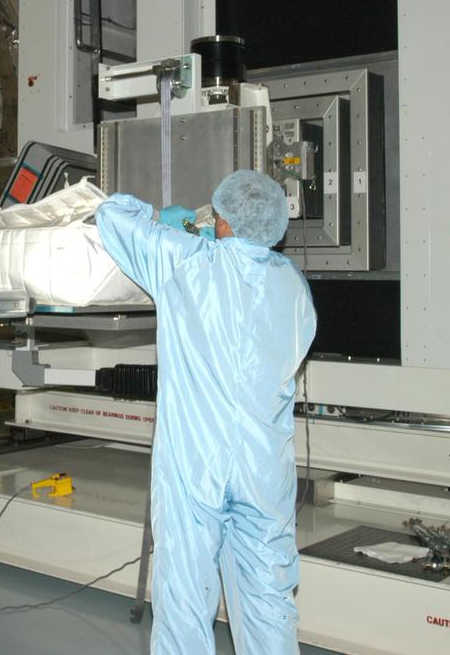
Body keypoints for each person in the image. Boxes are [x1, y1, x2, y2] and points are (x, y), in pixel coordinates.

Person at [95, 170, 317, 655]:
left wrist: (159, 217)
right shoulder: (295, 288)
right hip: (263, 468)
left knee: (184, 597)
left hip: (197, 464)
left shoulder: (184, 262)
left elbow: (110, 214)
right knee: (268, 596)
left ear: (221, 222)